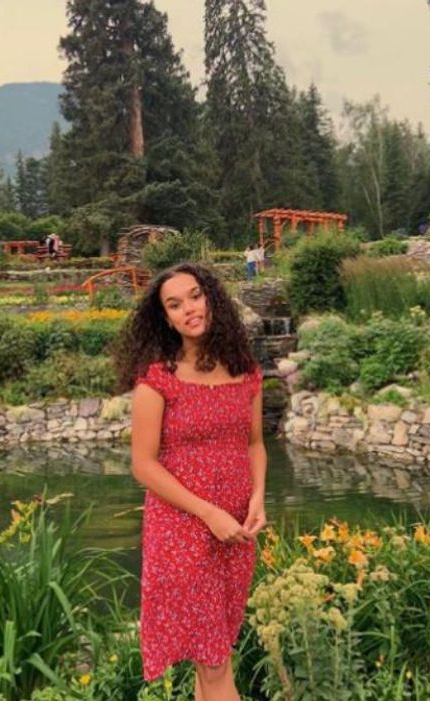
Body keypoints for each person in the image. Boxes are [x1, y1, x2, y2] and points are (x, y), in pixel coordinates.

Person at [113, 262, 266, 699]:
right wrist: (207, 512)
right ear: (166, 318)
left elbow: (255, 444)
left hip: (235, 528)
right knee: (215, 660)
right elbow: (143, 465)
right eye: (175, 304)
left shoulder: (246, 370)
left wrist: (258, 498)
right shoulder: (157, 379)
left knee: (216, 648)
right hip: (182, 529)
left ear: (212, 298)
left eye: (195, 296)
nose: (189, 309)